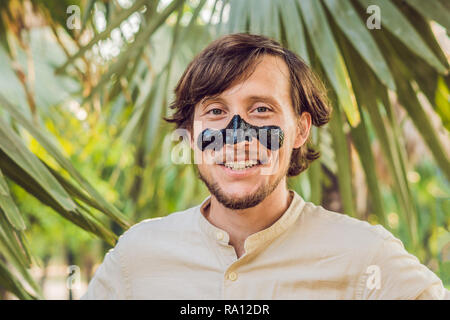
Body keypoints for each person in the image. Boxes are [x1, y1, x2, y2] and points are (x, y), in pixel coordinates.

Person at [82, 33, 449, 300]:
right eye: (215, 112)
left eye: (261, 109)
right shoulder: (137, 257)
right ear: (191, 136)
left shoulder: (366, 256)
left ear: (300, 130)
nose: (236, 135)